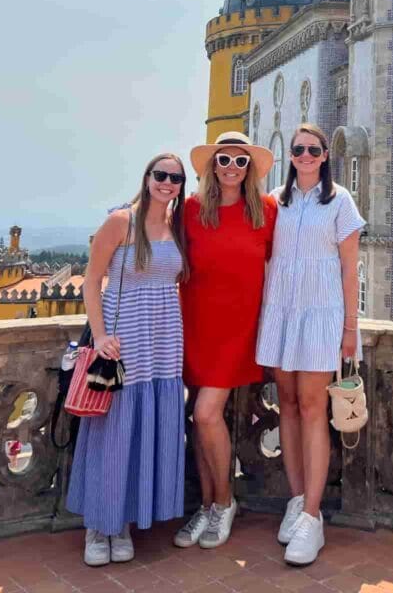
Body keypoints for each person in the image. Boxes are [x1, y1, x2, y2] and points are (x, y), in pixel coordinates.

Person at [67, 154, 188, 567]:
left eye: (175, 177)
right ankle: (100, 525)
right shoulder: (122, 221)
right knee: (115, 428)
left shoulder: (177, 226)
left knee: (145, 426)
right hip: (124, 341)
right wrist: (100, 336)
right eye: (160, 175)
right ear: (147, 177)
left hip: (165, 343)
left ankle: (126, 519)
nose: (167, 183)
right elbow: (91, 279)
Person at [256, 123, 365, 566]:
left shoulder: (340, 200)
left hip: (322, 316)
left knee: (312, 406)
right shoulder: (274, 204)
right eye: (298, 149)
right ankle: (297, 500)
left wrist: (350, 328)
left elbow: (349, 268)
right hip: (281, 313)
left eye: (312, 149)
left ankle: (314, 518)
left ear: (324, 156)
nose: (304, 154)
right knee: (286, 402)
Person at [174, 131, 277, 551]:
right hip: (195, 325)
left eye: (240, 161)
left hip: (238, 329)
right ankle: (206, 504)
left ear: (250, 168)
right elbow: (155, 237)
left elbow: (286, 265)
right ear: (212, 166)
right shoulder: (192, 209)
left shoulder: (267, 211)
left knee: (205, 413)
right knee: (199, 420)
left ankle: (224, 501)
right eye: (224, 160)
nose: (231, 168)